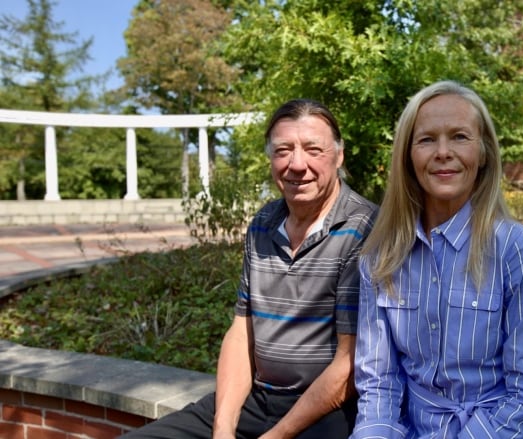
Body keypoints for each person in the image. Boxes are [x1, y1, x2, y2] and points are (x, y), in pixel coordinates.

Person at [122, 99, 377, 439]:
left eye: (313, 149)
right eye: (283, 150)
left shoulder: (364, 228)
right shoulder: (263, 224)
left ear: (338, 155)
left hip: (329, 409)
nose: (297, 164)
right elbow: (242, 332)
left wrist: (275, 436)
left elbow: (349, 366)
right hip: (259, 400)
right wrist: (223, 428)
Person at [351, 81, 523, 438]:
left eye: (460, 137)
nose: (443, 152)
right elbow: (379, 386)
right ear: (408, 156)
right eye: (427, 139)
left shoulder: (519, 251)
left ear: (484, 154)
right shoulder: (380, 258)